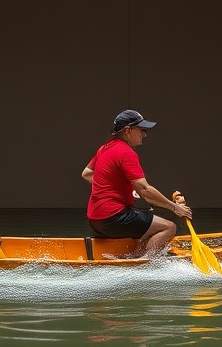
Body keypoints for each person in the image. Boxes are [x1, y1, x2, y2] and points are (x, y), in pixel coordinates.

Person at [81, 109, 192, 259]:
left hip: (95, 220)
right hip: (114, 219)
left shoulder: (104, 148)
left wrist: (114, 187)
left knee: (148, 221)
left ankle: (130, 257)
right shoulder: (126, 153)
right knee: (169, 227)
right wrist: (175, 208)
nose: (144, 134)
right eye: (142, 130)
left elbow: (86, 173)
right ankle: (142, 263)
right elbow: (145, 190)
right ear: (128, 130)